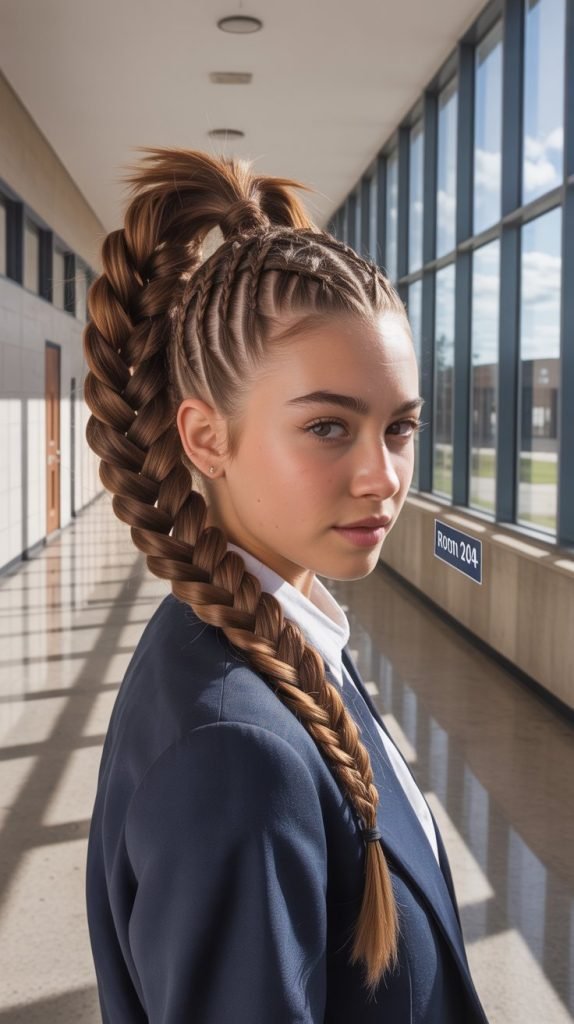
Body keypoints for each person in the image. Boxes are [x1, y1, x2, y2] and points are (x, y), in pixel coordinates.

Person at [83, 147, 490, 1023]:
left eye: (401, 427)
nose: (383, 476)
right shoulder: (235, 752)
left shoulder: (275, 642)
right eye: (328, 426)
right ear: (206, 438)